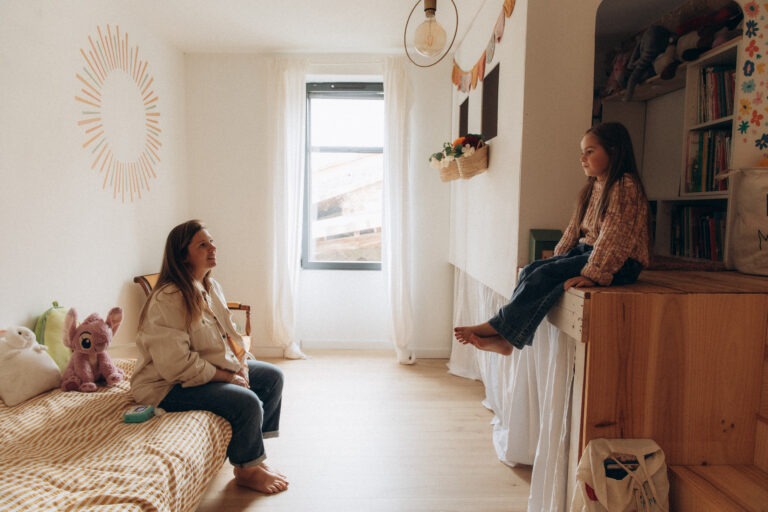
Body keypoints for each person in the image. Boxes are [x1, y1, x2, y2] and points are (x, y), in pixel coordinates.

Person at [454, 122, 650, 355]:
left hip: (621, 263)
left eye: (590, 151)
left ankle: (498, 326)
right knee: (531, 270)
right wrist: (559, 258)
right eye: (582, 152)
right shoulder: (595, 186)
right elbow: (573, 229)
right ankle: (506, 339)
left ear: (614, 151)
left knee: (543, 276)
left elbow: (614, 236)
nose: (582, 158)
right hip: (589, 252)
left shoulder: (624, 186)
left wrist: (595, 274)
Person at [131, 220, 288, 494]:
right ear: (183, 255)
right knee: (247, 402)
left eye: (211, 241)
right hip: (166, 385)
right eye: (202, 244)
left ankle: (253, 456)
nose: (213, 247)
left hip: (204, 370)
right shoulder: (169, 298)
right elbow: (175, 364)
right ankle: (247, 470)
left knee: (272, 377)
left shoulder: (210, 286)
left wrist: (242, 366)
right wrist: (228, 377)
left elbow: (231, 335)